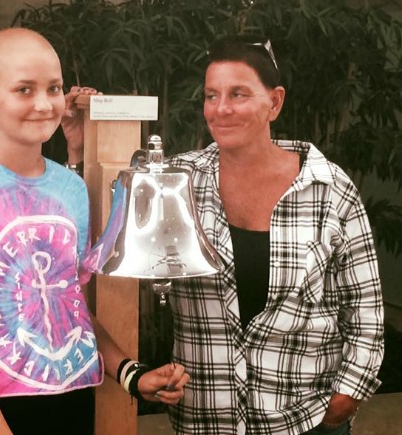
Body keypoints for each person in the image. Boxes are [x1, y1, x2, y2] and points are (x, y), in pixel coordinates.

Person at [0, 27, 189, 435]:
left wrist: (131, 374)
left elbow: (69, 308)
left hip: (73, 405)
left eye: (53, 88)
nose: (43, 103)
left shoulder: (69, 189)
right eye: (23, 89)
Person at [163, 36, 384, 434]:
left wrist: (346, 397)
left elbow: (365, 307)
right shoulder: (179, 182)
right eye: (211, 95)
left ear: (275, 102)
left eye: (238, 94)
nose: (221, 109)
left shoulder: (328, 187)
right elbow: (118, 240)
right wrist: (79, 142)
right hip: (207, 417)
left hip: (305, 417)